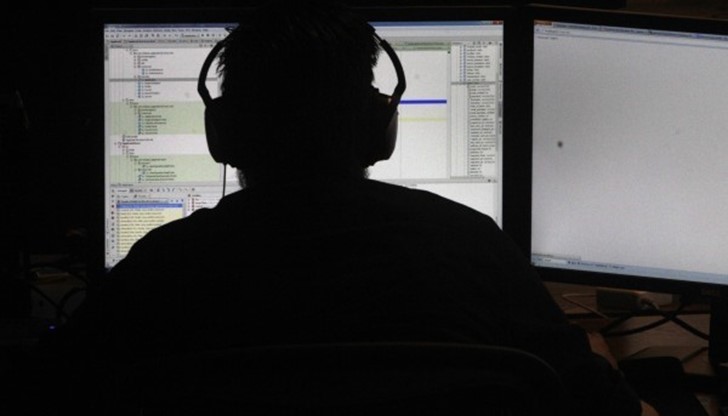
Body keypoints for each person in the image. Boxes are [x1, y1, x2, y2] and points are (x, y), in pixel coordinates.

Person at [32, 1, 657, 415]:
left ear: (222, 133)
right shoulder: (472, 244)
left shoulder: (160, 266)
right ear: (379, 127)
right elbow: (607, 408)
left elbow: (54, 393)